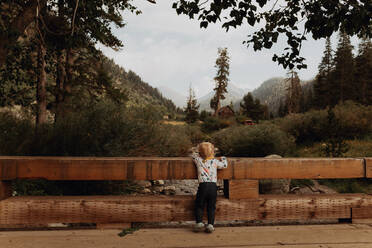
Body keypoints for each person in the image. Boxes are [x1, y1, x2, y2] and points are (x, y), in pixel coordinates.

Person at [192, 142, 228, 233]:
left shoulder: (198, 160)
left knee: (199, 205)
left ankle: (199, 222)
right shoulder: (216, 162)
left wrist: (198, 153)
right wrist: (223, 158)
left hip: (203, 186)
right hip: (213, 187)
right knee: (211, 207)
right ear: (213, 153)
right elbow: (224, 165)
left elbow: (193, 156)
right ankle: (210, 225)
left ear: (199, 153)